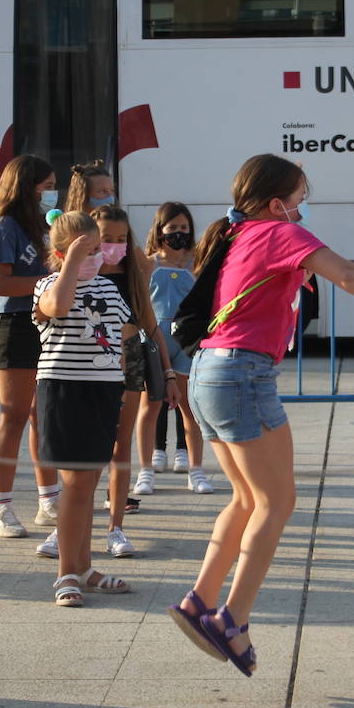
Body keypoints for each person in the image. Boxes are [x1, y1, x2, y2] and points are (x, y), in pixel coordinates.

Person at [168, 153, 354, 675]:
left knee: (248, 498)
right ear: (278, 203)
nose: (301, 214)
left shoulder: (237, 236)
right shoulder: (278, 234)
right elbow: (346, 274)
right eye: (299, 202)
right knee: (278, 501)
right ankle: (233, 620)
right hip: (241, 374)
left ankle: (200, 601)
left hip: (209, 370)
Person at [33, 211, 136, 605]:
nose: (96, 256)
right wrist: (71, 265)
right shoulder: (49, 285)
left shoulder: (110, 290)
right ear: (60, 252)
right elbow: (56, 308)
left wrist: (124, 384)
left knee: (88, 486)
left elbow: (122, 339)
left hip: (103, 390)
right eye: (84, 249)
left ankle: (85, 565)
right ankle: (66, 574)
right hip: (64, 390)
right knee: (74, 487)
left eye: (96, 249)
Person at [0, 154, 63, 539]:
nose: (51, 193)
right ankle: (0, 508)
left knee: (42, 415)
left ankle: (49, 500)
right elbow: (1, 285)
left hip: (45, 323)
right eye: (46, 186)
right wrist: (50, 284)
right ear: (27, 187)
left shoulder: (42, 227)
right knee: (13, 416)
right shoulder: (5, 227)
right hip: (12, 324)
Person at [90, 204, 180, 559]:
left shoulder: (133, 274)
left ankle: (116, 528)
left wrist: (169, 373)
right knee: (86, 451)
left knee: (118, 448)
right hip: (87, 368)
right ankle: (67, 526)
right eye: (105, 239)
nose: (114, 245)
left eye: (121, 239)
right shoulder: (77, 272)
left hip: (128, 364)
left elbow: (151, 325)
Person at [134, 201, 213, 496]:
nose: (179, 233)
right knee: (149, 406)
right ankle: (145, 471)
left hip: (188, 341)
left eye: (184, 228)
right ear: (160, 230)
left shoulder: (197, 262)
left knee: (190, 408)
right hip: (156, 341)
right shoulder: (150, 263)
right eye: (172, 228)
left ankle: (196, 469)